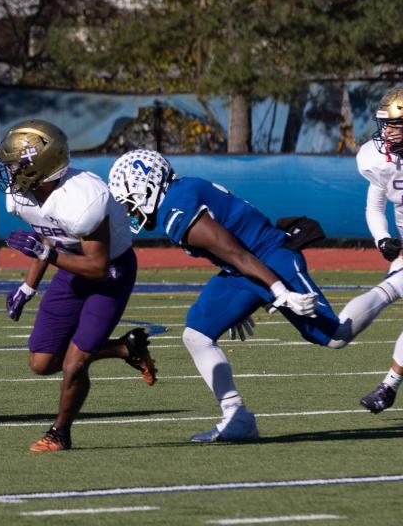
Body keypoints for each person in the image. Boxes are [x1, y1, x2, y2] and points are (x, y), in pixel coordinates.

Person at [108, 148, 403, 443]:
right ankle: (237, 417)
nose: (129, 211)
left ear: (146, 186)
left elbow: (234, 251)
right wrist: (240, 301)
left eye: (128, 201)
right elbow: (229, 252)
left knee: (335, 335)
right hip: (244, 267)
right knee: (196, 333)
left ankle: (392, 285)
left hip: (270, 259)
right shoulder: (178, 197)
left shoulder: (176, 209)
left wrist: (277, 290)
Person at [0, 119, 157, 453]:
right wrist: (28, 287)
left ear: (38, 166)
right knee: (41, 363)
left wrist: (45, 253)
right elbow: (46, 230)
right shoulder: (25, 195)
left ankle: (60, 433)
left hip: (109, 271)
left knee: (74, 362)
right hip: (70, 264)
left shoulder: (84, 198)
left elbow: (97, 267)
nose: (10, 173)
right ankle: (126, 348)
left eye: (15, 165)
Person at [356, 86, 403, 413]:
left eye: (395, 125)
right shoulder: (380, 159)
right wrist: (383, 239)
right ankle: (388, 387)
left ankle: (388, 386)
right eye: (385, 124)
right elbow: (374, 207)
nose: (386, 131)